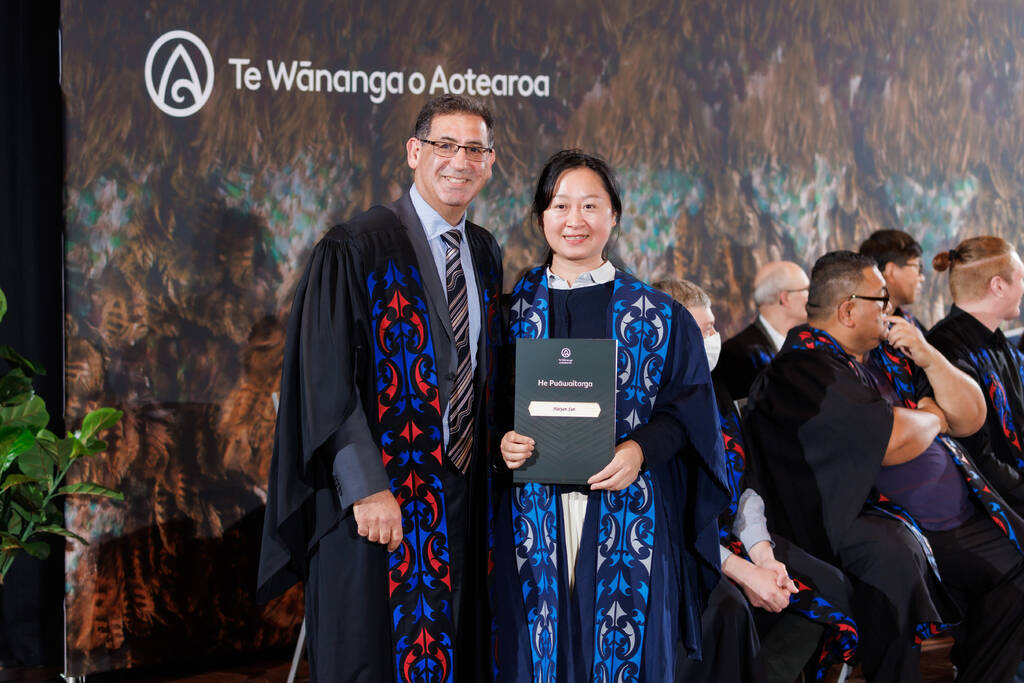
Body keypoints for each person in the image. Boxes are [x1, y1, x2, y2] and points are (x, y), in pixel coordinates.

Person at [257, 94, 503, 682]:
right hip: (376, 498)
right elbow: (324, 380)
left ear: (490, 163)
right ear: (415, 152)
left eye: (475, 149)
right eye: (445, 145)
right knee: (372, 653)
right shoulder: (355, 246)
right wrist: (366, 488)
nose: (460, 161)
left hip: (458, 493)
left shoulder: (484, 251)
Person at [495, 150, 729, 682]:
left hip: (628, 510)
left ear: (614, 215)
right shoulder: (509, 314)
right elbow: (487, 409)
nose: (574, 220)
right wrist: (501, 442)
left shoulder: (660, 316)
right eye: (560, 205)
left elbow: (687, 412)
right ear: (541, 216)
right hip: (531, 514)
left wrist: (640, 449)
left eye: (590, 205)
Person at [747, 250, 1024, 682]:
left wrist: (928, 355)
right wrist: (934, 417)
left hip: (955, 517)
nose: (890, 308)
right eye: (881, 299)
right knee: (898, 562)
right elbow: (892, 440)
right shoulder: (802, 370)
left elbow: (971, 416)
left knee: (1018, 571)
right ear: (848, 310)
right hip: (894, 527)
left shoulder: (889, 354)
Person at [658, 279, 857, 683]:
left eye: (713, 327)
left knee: (828, 584)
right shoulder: (646, 408)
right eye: (701, 331)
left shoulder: (716, 392)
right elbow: (666, 519)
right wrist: (743, 572)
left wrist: (763, 556)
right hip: (677, 547)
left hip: (731, 533)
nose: (713, 339)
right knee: (728, 608)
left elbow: (745, 485)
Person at [927, 236, 1024, 514]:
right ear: (998, 286)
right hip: (991, 504)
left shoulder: (998, 341)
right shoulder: (945, 350)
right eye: (1021, 278)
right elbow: (977, 458)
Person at [714, 260, 809, 399]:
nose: (812, 297)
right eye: (806, 290)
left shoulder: (808, 344)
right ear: (785, 298)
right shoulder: (736, 356)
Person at [858, 229, 927, 330]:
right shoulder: (861, 328)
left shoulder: (911, 322)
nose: (922, 278)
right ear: (891, 272)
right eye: (917, 267)